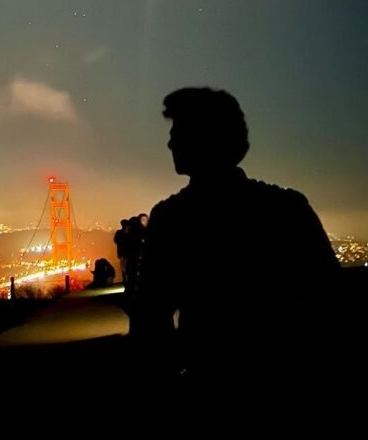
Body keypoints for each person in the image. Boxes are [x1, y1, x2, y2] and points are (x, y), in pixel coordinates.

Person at [131, 86, 342, 408]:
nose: (170, 142)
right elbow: (329, 297)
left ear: (206, 138)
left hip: (209, 382)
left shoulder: (172, 218)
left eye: (179, 132)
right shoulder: (286, 207)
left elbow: (151, 315)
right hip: (288, 378)